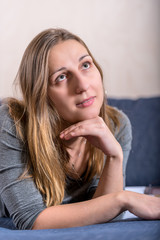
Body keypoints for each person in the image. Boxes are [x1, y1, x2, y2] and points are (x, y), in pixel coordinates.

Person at [0, 28, 159, 230]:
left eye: (85, 65)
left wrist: (114, 157)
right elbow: (32, 220)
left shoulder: (116, 124)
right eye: (61, 77)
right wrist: (123, 199)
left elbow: (107, 217)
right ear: (42, 96)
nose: (83, 85)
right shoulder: (13, 123)